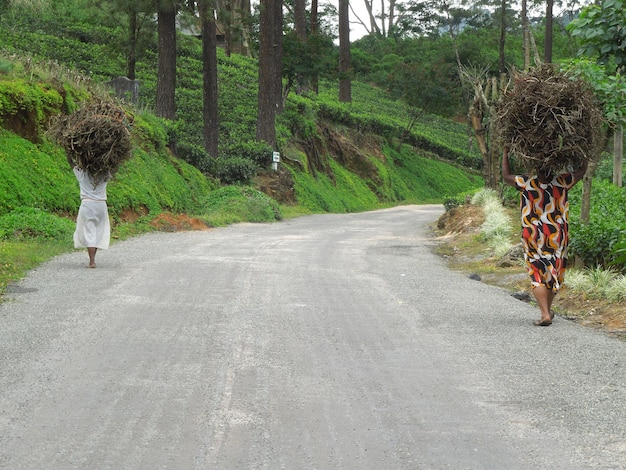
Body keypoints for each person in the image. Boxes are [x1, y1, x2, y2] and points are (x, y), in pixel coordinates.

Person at [502, 147, 588, 326]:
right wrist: (585, 152)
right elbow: (582, 171)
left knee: (537, 273)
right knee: (553, 272)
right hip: (557, 236)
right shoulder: (562, 182)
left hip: (533, 236)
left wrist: (505, 153)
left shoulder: (526, 183)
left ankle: (545, 314)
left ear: (535, 168)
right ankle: (546, 311)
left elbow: (506, 176)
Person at [68, 155, 112, 268]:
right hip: (101, 205)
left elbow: (71, 163)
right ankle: (93, 259)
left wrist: (68, 152)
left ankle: (92, 261)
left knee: (89, 232)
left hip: (88, 205)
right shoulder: (104, 174)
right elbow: (114, 168)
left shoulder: (83, 173)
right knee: (98, 231)